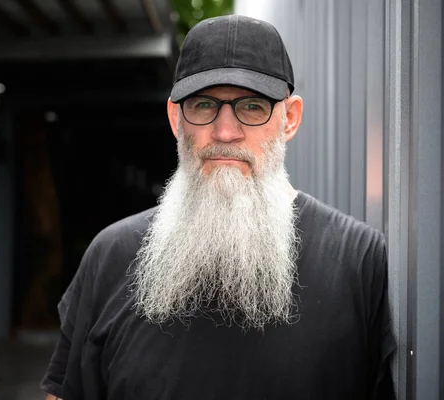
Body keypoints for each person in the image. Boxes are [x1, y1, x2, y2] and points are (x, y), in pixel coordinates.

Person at [41, 14, 396, 400]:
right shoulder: (111, 256)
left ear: (289, 119)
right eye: (204, 104)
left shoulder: (359, 263)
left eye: (253, 106)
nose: (225, 132)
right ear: (176, 119)